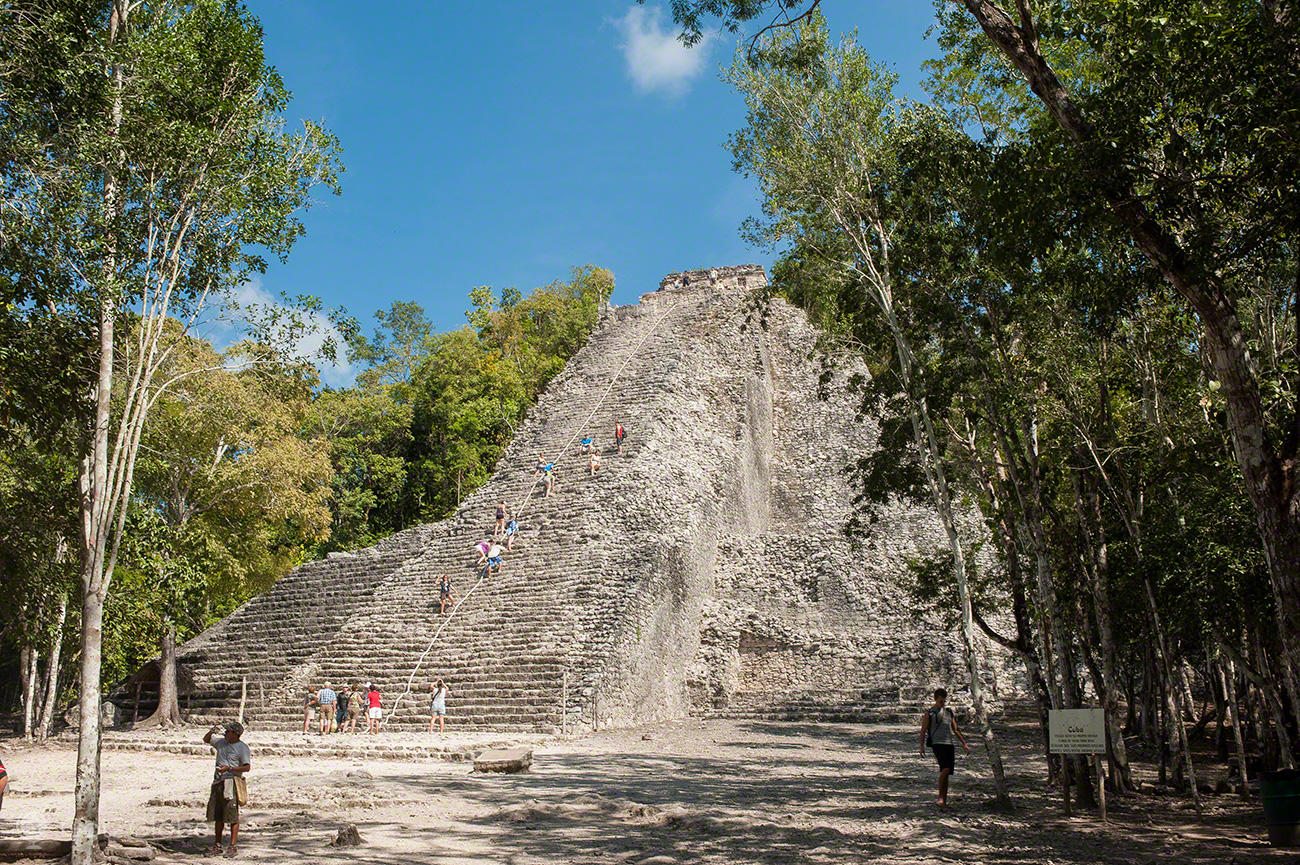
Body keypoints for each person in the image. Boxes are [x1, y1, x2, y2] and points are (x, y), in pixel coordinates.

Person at [203, 720, 250, 858]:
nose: (225, 733)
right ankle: (217, 844)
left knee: (232, 815)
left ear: (235, 734)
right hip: (218, 781)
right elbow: (206, 739)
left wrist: (229, 768)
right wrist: (212, 731)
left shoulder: (242, 748)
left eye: (228, 731)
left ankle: (232, 845)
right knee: (218, 814)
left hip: (231, 782)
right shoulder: (221, 742)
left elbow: (246, 767)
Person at [919, 688, 969, 807]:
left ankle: (944, 800)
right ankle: (940, 798)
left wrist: (964, 743)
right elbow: (923, 730)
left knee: (947, 772)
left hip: (949, 744)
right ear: (936, 699)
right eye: (940, 701)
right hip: (937, 744)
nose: (942, 703)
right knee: (945, 769)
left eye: (944, 701)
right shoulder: (929, 713)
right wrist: (921, 746)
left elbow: (955, 729)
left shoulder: (948, 712)